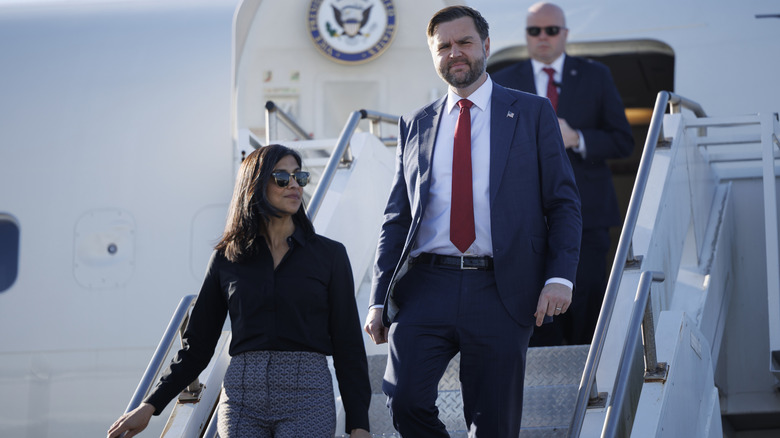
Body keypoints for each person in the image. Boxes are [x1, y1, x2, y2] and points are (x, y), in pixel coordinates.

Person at [363, 6, 581, 437]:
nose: (454, 53)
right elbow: (397, 217)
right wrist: (377, 299)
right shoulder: (416, 123)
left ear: (485, 45)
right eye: (443, 46)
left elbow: (563, 203)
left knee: (493, 424)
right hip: (426, 288)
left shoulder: (532, 112)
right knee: (404, 400)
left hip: (501, 288)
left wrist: (560, 277)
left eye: (463, 42)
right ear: (434, 55)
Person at [107, 145, 371, 438]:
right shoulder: (227, 258)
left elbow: (349, 345)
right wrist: (150, 406)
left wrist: (359, 425)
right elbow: (198, 346)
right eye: (282, 177)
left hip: (307, 395)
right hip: (242, 398)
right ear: (255, 184)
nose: (295, 184)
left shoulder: (329, 255)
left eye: (300, 176)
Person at [492, 2, 634, 346]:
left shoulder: (595, 75)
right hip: (527, 219)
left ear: (565, 34)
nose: (543, 37)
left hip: (588, 214)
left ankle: (591, 383)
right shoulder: (503, 81)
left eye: (551, 30)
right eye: (534, 31)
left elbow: (623, 141)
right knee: (535, 308)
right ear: (526, 35)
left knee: (584, 301)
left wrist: (578, 138)